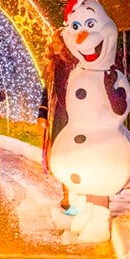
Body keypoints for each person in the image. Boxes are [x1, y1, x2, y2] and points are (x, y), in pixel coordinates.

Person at [37, 26, 77, 211]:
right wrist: (42, 114)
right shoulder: (52, 66)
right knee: (61, 154)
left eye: (57, 41)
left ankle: (75, 191)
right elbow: (46, 92)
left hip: (74, 113)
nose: (53, 44)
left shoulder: (76, 64)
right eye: (53, 41)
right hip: (58, 115)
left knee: (74, 153)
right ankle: (66, 193)